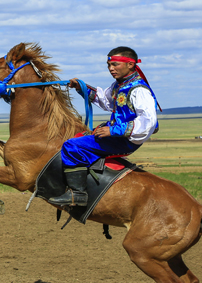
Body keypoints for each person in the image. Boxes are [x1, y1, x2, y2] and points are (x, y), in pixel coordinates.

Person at [49, 47, 160, 206]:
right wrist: (82, 87)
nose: (111, 69)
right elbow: (106, 101)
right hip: (116, 133)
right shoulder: (120, 85)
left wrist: (113, 130)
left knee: (72, 145)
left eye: (115, 65)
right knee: (78, 136)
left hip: (125, 140)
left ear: (130, 64)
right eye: (109, 65)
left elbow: (148, 122)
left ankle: (77, 194)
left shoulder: (139, 90)